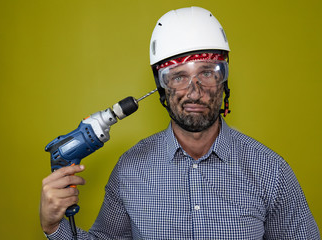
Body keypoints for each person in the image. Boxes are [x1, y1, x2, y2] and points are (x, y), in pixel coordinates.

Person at [40, 6, 320, 239]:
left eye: (207, 73)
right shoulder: (129, 170)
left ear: (224, 79)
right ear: (162, 87)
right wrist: (53, 226)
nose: (195, 91)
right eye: (178, 77)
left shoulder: (270, 171)